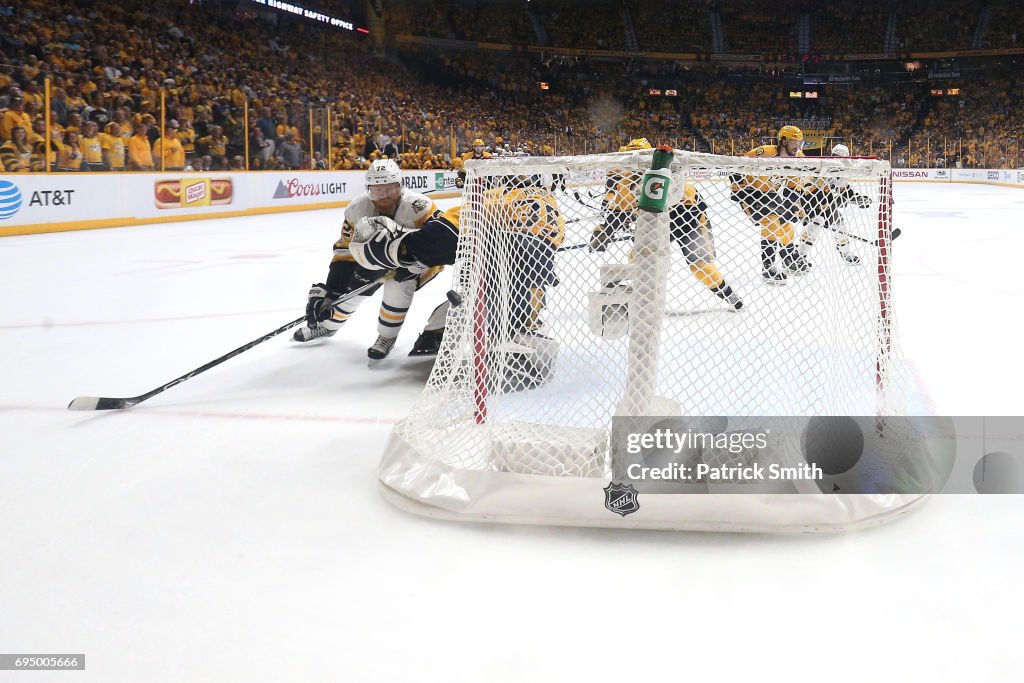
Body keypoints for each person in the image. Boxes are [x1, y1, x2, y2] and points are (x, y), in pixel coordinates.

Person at [293, 159, 445, 362]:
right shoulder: (356, 210)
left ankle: (386, 337)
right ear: (368, 189)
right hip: (379, 257)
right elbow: (345, 252)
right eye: (377, 190)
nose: (383, 197)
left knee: (398, 284)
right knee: (355, 287)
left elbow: (442, 240)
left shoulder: (420, 207)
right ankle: (327, 326)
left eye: (389, 189)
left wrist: (421, 262)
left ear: (400, 186)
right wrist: (333, 289)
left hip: (419, 260)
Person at [730, 125, 809, 285]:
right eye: (794, 142)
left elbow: (792, 187)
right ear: (784, 141)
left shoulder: (797, 158)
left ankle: (789, 258)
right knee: (771, 220)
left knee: (786, 223)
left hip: (771, 194)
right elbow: (735, 165)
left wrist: (793, 206)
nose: (797, 147)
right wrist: (738, 186)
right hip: (749, 191)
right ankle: (768, 268)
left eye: (799, 142)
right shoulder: (765, 152)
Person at [793, 143, 872, 268]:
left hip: (828, 204)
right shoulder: (822, 168)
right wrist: (809, 207)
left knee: (841, 228)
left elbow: (844, 190)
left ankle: (846, 254)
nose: (838, 160)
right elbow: (807, 187)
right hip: (812, 202)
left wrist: (858, 199)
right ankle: (799, 256)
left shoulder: (844, 172)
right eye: (836, 157)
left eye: (842, 158)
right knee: (814, 228)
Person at [589, 137, 650, 251]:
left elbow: (611, 187)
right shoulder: (626, 167)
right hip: (629, 208)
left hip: (627, 208)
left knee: (643, 237)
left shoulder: (623, 164)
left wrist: (606, 202)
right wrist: (606, 201)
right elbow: (612, 186)